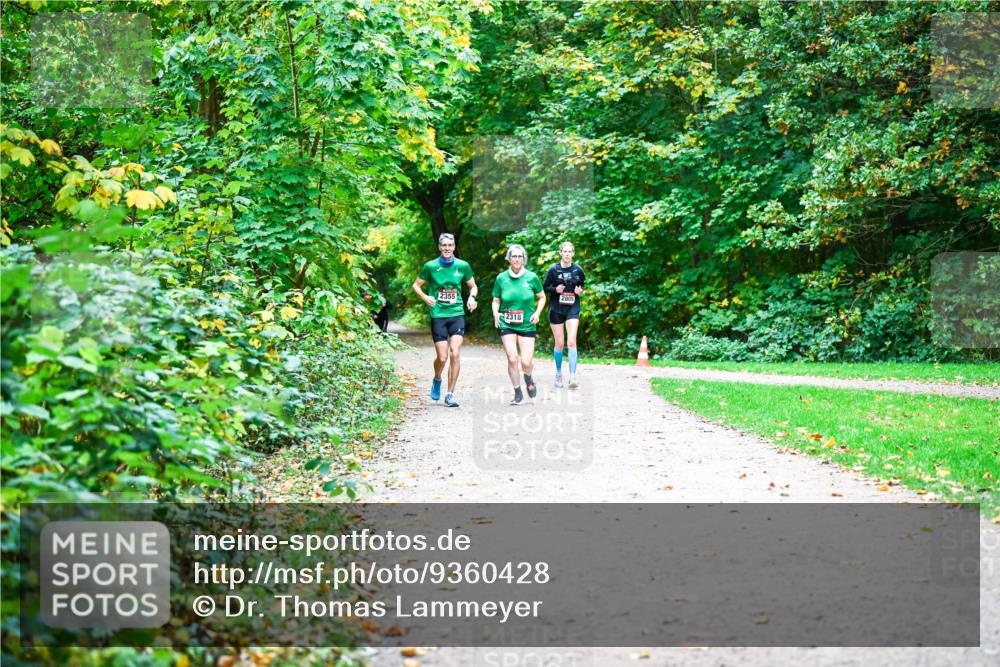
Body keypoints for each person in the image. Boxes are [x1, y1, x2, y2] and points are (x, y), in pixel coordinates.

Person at [412, 233, 478, 407]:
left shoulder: (463, 266)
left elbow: (473, 286)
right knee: (442, 358)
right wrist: (425, 297)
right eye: (444, 245)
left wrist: (472, 298)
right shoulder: (430, 266)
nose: (447, 248)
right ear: (439, 247)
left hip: (456, 313)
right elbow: (416, 285)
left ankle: (450, 394)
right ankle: (437, 378)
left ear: (454, 246)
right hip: (438, 315)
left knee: (454, 353)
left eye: (450, 245)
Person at [492, 244, 546, 405]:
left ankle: (528, 378)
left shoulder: (531, 277)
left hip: (527, 324)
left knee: (526, 362)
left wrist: (537, 313)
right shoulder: (501, 278)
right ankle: (517, 393)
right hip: (507, 323)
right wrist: (496, 313)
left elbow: (542, 297)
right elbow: (496, 300)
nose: (517, 259)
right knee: (512, 358)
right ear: (509, 259)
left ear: (524, 259)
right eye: (514, 256)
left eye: (520, 256)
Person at [543, 241, 585, 389]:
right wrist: (555, 289)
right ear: (560, 253)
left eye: (569, 252)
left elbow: (581, 287)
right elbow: (544, 288)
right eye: (564, 251)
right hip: (556, 309)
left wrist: (580, 291)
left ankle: (573, 377)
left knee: (572, 341)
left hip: (572, 308)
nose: (567, 254)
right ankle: (559, 374)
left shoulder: (578, 269)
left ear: (573, 253)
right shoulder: (553, 270)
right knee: (559, 343)